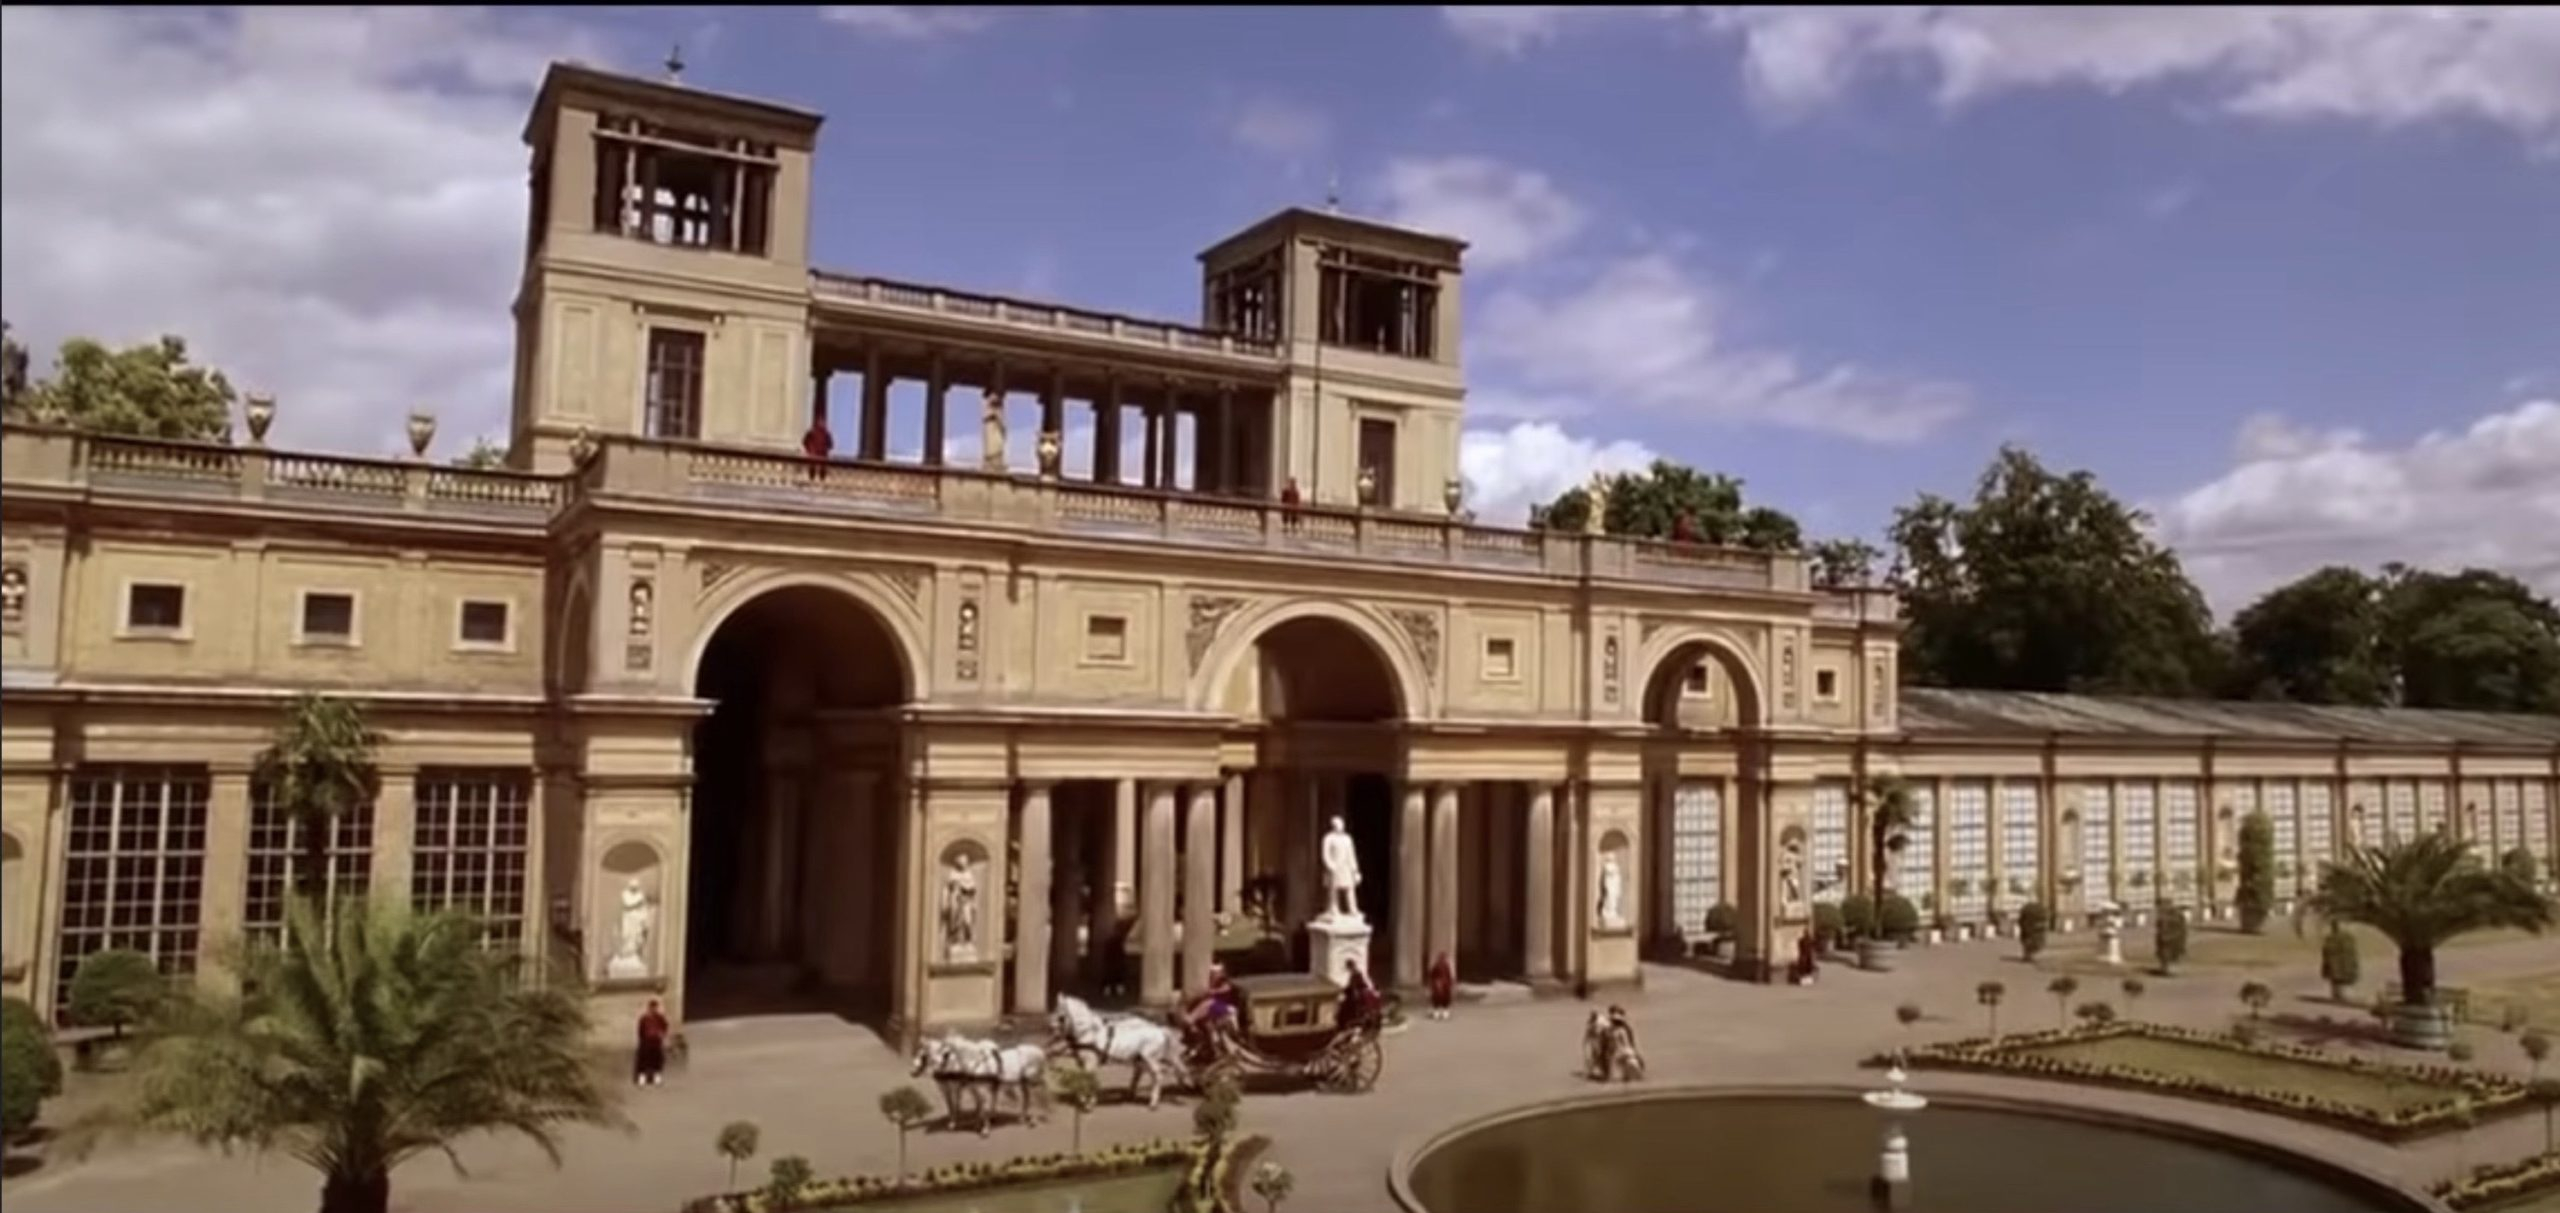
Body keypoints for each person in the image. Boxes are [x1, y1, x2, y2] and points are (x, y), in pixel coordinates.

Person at [634, 998, 670, 1087]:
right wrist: (642, 1039)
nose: (653, 1009)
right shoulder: (644, 1018)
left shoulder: (660, 1018)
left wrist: (662, 1034)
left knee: (657, 1060)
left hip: (656, 1042)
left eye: (655, 1007)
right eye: (652, 1007)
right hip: (646, 1042)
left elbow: (665, 1026)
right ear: (649, 1008)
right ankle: (642, 1078)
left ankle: (657, 1077)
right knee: (644, 1060)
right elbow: (640, 1030)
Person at [1336, 958, 1382, 1029]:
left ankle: (1349, 1021)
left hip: (1359, 992)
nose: (1348, 969)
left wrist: (1347, 990)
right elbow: (1351, 985)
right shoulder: (1355, 973)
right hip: (1357, 991)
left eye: (1349, 967)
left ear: (1351, 966)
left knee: (1346, 1004)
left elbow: (1355, 985)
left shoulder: (1356, 973)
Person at [1426, 951, 1456, 1022]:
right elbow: (1449, 976)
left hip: (1439, 984)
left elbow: (1431, 975)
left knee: (1438, 998)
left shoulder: (1437, 966)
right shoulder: (1445, 966)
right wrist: (1451, 983)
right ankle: (1443, 1013)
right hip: (1443, 984)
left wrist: (1432, 984)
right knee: (1443, 998)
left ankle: (1438, 1013)